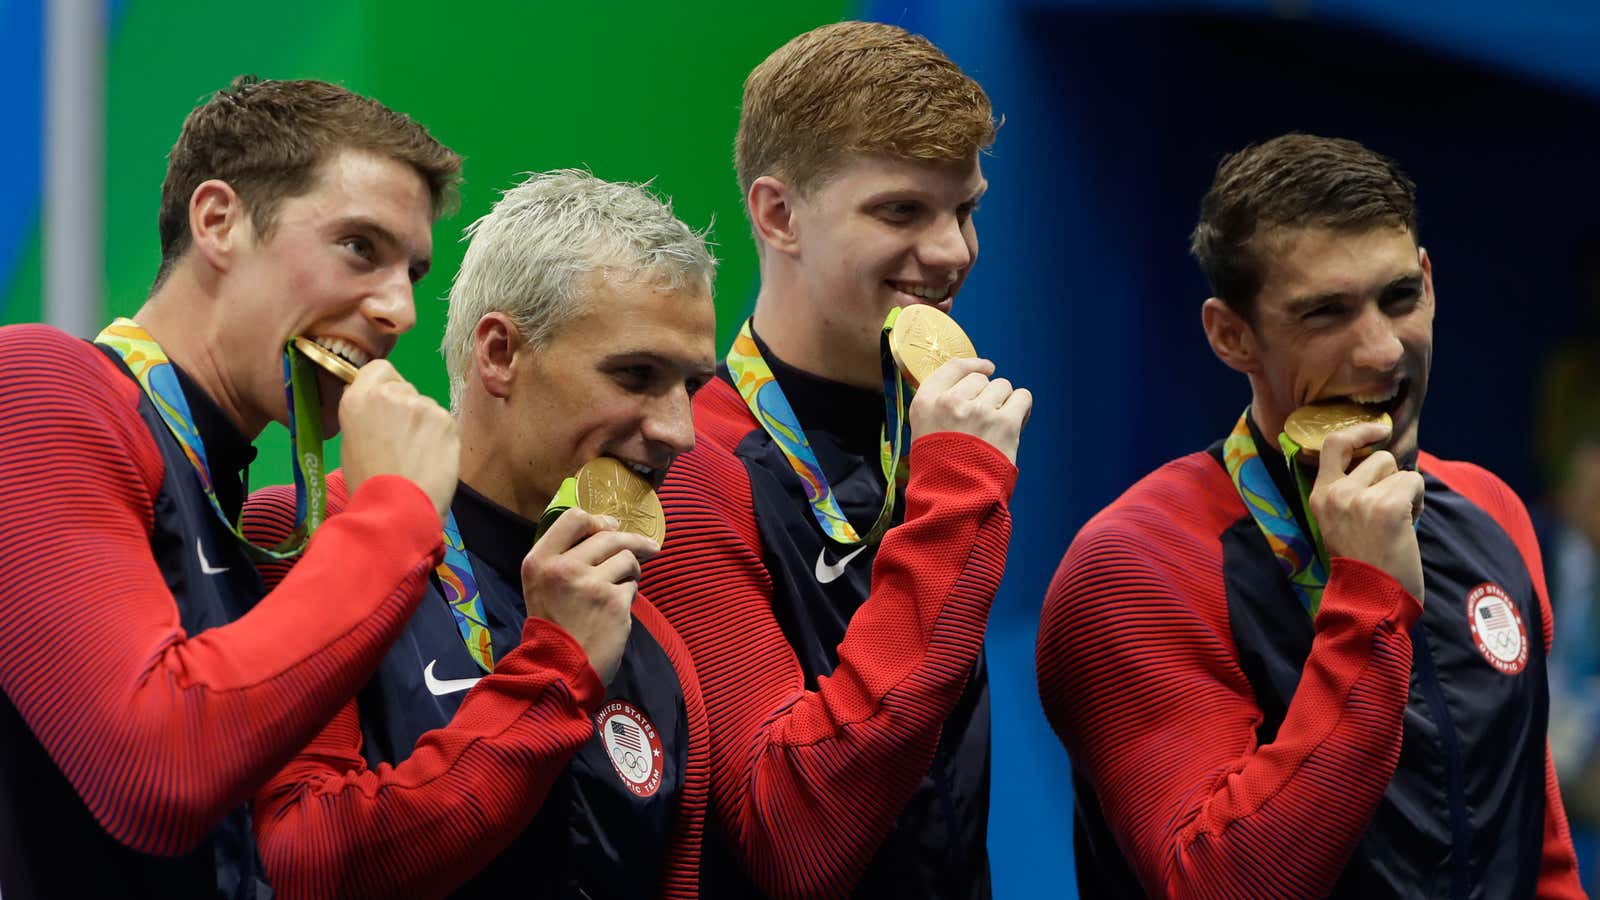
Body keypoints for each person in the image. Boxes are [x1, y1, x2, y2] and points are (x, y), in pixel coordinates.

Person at [1036, 133, 1585, 898]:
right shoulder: (1135, 569)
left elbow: (1541, 849)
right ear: (1232, 336)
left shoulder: (1490, 512)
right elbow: (1221, 883)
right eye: (1326, 314)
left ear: (1429, 281)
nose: (1382, 351)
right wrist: (1366, 595)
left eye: (1399, 297)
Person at [0, 75, 461, 898]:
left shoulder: (232, 501)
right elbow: (155, 774)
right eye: (360, 246)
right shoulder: (40, 383)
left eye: (414, 273)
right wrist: (396, 517)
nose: (400, 312)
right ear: (219, 222)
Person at [242, 169, 717, 898]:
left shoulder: (651, 631)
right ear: (499, 354)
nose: (679, 431)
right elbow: (310, 867)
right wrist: (556, 673)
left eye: (692, 386)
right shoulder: (305, 535)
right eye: (636, 375)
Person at [637, 21, 1032, 899]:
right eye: (900, 211)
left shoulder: (924, 435)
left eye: (965, 209)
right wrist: (956, 502)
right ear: (779, 215)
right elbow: (793, 841)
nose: (953, 252)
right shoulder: (691, 466)